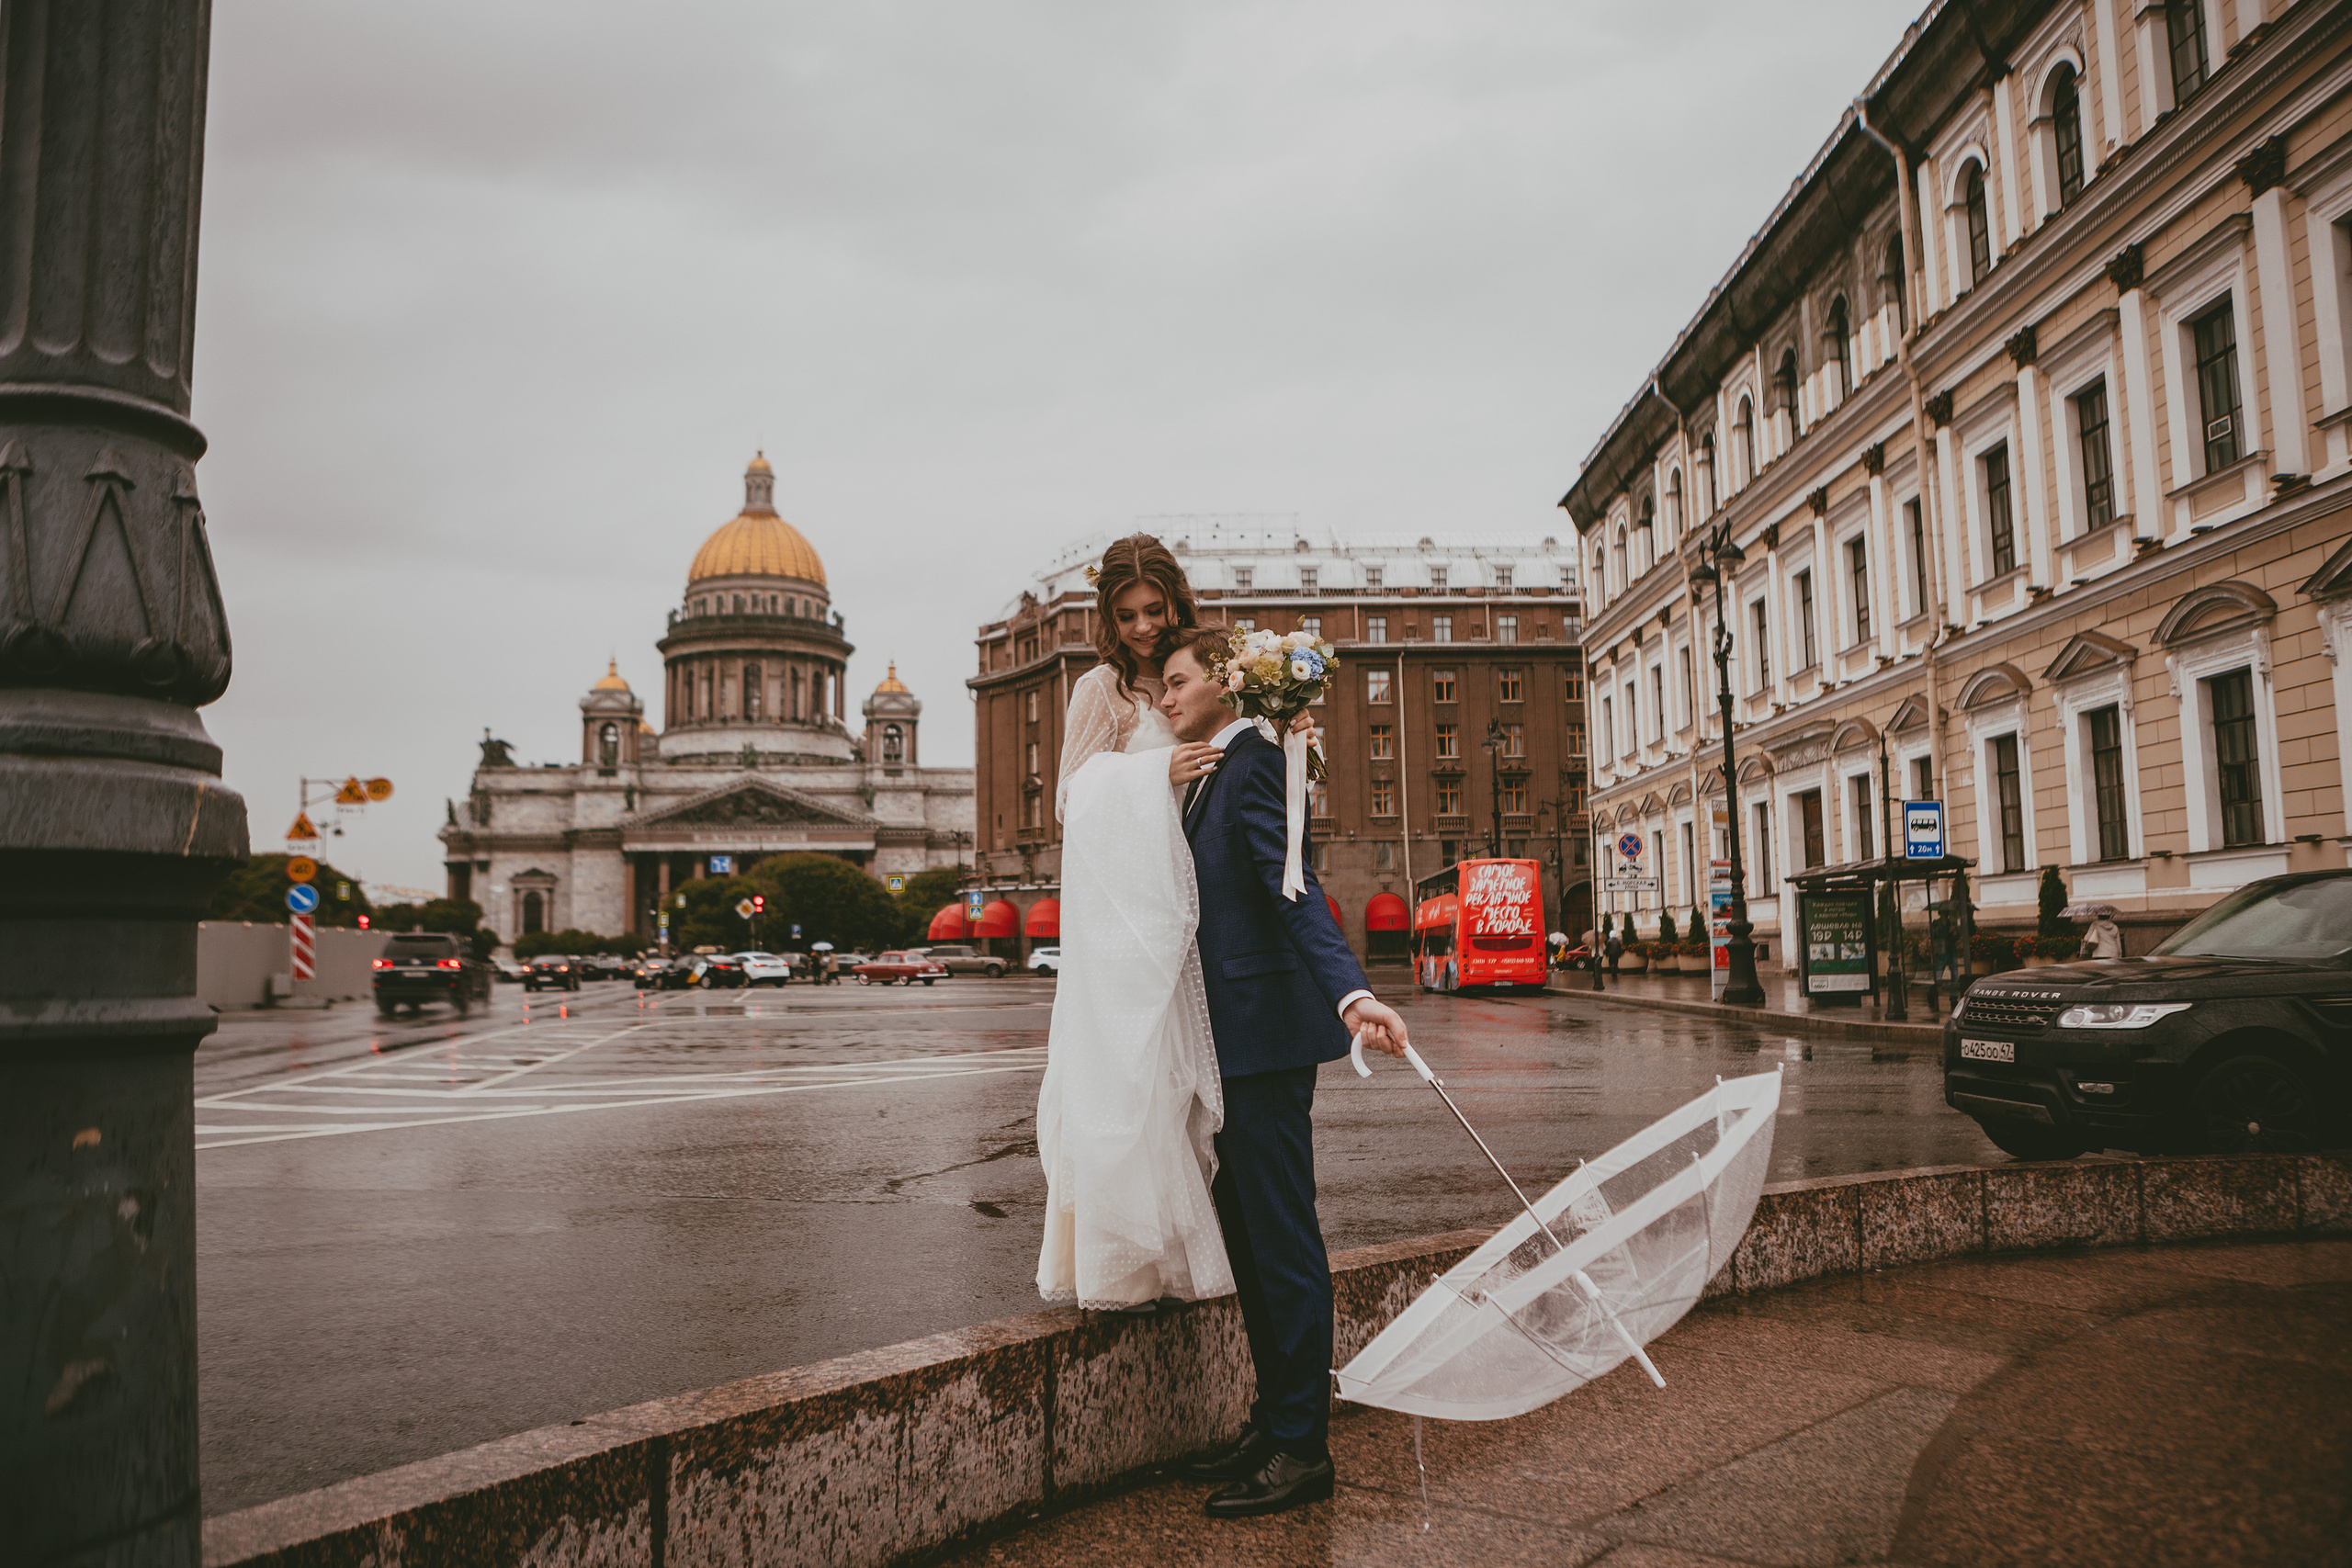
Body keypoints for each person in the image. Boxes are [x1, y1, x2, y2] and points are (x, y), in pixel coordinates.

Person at [1156, 624, 1412, 1520]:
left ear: (1225, 686)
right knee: (1254, 1245)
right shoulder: (1207, 772)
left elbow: (1293, 888)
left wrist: (1351, 999)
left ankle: (1303, 1447)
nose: (1165, 695)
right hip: (1225, 1045)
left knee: (1283, 1247)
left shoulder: (1258, 759)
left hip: (1263, 1038)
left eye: (1178, 680)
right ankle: (1275, 1419)